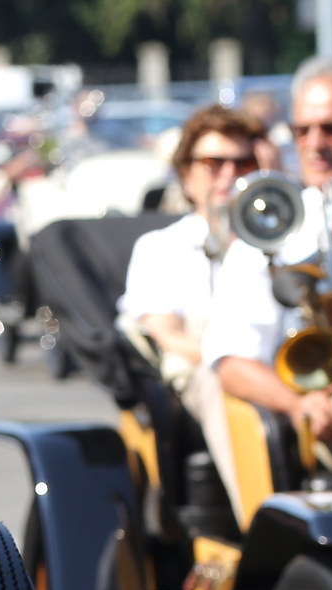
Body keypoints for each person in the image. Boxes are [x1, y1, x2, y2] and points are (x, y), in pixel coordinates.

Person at [192, 55, 332, 500]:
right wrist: (299, 403)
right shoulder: (273, 234)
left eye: (331, 128)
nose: (314, 143)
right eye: (302, 130)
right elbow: (231, 357)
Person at [119, 104, 265, 385]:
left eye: (244, 163)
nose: (229, 174)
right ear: (186, 175)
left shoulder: (284, 242)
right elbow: (169, 336)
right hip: (207, 378)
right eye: (214, 163)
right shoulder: (160, 248)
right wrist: (247, 374)